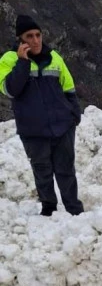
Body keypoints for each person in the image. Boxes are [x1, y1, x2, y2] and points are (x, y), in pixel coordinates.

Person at [0, 15, 84, 216]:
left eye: (38, 35)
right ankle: (49, 209)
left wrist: (74, 113)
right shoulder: (8, 60)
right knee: (42, 172)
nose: (36, 40)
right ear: (21, 40)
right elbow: (10, 89)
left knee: (66, 171)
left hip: (62, 125)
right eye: (29, 36)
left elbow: (68, 86)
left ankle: (74, 210)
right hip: (33, 130)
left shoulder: (54, 57)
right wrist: (22, 63)